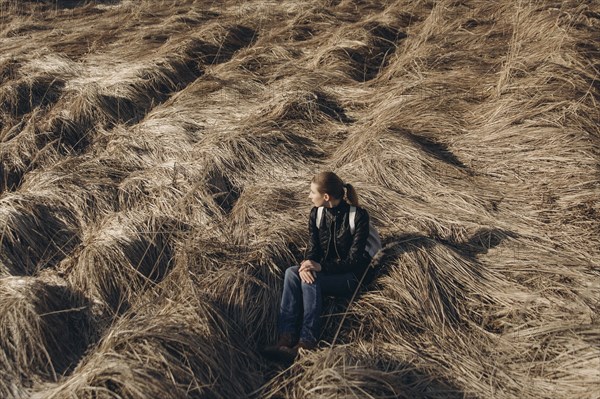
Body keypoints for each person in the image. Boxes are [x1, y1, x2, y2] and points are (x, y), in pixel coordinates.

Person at [262, 171, 373, 361]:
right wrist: (307, 264)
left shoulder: (359, 216)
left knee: (310, 281)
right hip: (326, 271)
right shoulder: (317, 213)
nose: (309, 196)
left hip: (350, 277)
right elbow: (313, 247)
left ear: (326, 197)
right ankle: (286, 337)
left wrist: (321, 268)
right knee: (291, 273)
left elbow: (354, 261)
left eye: (312, 193)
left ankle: (306, 342)